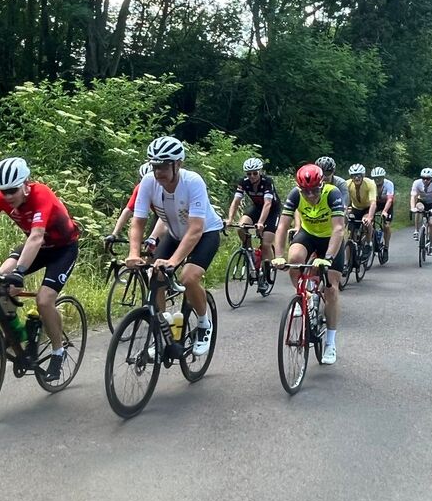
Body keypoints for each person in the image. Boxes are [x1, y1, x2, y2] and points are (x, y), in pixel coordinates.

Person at [0, 157, 80, 381]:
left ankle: (58, 351)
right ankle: (19, 335)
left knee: (44, 300)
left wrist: (19, 272)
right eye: (3, 191)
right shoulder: (1, 199)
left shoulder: (41, 194)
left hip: (62, 249)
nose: (8, 196)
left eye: (12, 190)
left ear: (25, 184)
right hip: (36, 246)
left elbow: (36, 236)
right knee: (1, 282)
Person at [126, 136, 225, 356]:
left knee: (188, 278)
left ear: (177, 164)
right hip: (174, 234)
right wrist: (133, 253)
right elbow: (138, 221)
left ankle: (204, 323)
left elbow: (196, 229)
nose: (158, 172)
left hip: (205, 234)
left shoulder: (193, 182)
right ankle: (162, 332)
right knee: (155, 276)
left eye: (163, 166)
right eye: (154, 166)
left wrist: (173, 261)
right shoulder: (148, 182)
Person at [272, 163, 345, 365]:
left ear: (322, 185)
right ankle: (305, 296)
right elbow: (282, 226)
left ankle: (330, 343)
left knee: (331, 290)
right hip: (309, 234)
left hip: (331, 239)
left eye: (314, 190)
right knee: (294, 258)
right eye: (306, 191)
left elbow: (339, 229)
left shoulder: (333, 193)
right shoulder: (295, 194)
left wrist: (328, 257)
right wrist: (278, 255)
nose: (311, 195)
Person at [225, 157, 278, 293]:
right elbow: (236, 201)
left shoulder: (267, 181)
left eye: (255, 173)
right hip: (257, 208)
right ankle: (250, 251)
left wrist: (260, 223)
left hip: (272, 211)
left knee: (266, 243)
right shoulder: (243, 182)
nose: (252, 176)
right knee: (241, 226)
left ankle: (266, 273)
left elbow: (268, 204)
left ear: (260, 172)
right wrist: (230, 219)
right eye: (249, 174)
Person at [105, 162, 166, 250]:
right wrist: (114, 234)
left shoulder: (166, 187)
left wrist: (153, 237)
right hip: (158, 215)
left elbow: (167, 216)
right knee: (149, 248)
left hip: (174, 215)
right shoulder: (140, 188)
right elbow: (128, 211)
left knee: (161, 241)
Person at [345, 163, 377, 263]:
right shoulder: (347, 184)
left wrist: (370, 217)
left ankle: (368, 243)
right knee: (349, 235)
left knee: (366, 222)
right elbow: (344, 201)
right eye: (354, 176)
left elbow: (373, 203)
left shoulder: (370, 183)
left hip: (367, 208)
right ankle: (348, 262)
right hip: (355, 208)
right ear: (351, 177)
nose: (356, 178)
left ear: (363, 175)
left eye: (359, 175)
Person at [410, 167, 432, 255]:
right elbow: (413, 196)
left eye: (427, 178)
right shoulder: (417, 183)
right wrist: (412, 207)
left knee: (431, 223)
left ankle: (431, 245)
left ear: (431, 178)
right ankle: (416, 230)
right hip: (422, 201)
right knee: (419, 208)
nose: (425, 180)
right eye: (423, 178)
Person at [370, 166, 395, 262]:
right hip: (375, 203)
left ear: (383, 177)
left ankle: (386, 248)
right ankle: (371, 239)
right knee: (369, 220)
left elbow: (389, 200)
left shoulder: (389, 184)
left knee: (386, 226)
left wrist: (384, 211)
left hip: (386, 204)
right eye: (375, 178)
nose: (377, 180)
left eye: (379, 178)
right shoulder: (371, 184)